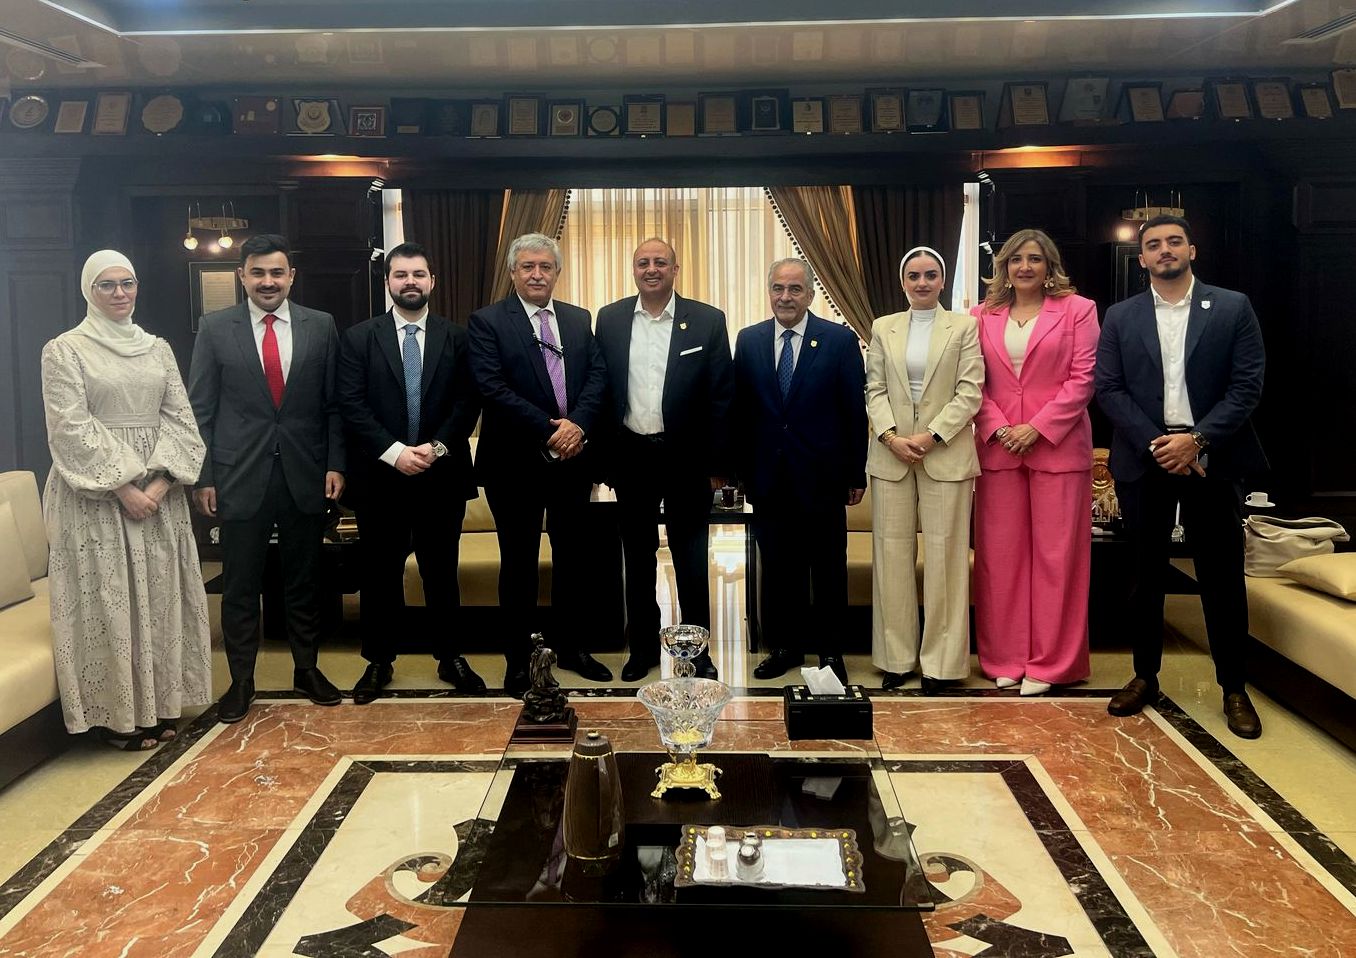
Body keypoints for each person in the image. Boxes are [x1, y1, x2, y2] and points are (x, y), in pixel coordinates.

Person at [1095, 214, 1267, 739]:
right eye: (1153, 244)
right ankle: (1145, 676)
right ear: (1142, 258)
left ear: (1192, 250)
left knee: (1221, 576)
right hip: (1145, 457)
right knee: (1144, 576)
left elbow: (1247, 385)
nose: (1164, 250)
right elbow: (1109, 387)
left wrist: (1197, 440)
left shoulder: (1232, 307)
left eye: (1174, 241)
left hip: (1212, 458)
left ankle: (1233, 687)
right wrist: (1158, 443)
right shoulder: (1120, 316)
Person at [40, 250, 212, 750]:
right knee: (109, 600)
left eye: (127, 283)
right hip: (93, 497)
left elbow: (181, 419)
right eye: (107, 285)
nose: (119, 293)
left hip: (159, 495)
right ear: (88, 290)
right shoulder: (64, 350)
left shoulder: (157, 348)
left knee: (158, 599)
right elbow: (69, 426)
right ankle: (115, 717)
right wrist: (123, 487)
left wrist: (157, 487)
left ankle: (159, 707)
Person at [187, 233, 346, 723]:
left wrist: (336, 463)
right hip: (238, 477)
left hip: (305, 474)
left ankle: (306, 669)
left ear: (291, 277)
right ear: (242, 276)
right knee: (239, 585)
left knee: (304, 582)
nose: (268, 281)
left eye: (277, 272)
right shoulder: (215, 328)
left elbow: (334, 405)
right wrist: (203, 476)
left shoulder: (321, 326)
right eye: (258, 272)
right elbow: (200, 410)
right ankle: (241, 681)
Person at [337, 242, 483, 703]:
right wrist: (395, 452)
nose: (410, 282)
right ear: (388, 282)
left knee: (442, 573)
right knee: (380, 576)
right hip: (381, 479)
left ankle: (450, 656)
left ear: (432, 281)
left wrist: (435, 449)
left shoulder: (458, 338)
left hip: (442, 477)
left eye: (418, 274)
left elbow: (468, 402)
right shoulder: (359, 338)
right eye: (401, 275)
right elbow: (351, 405)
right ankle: (379, 661)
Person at [468, 232, 612, 697]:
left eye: (545, 267)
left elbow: (598, 377)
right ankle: (518, 661)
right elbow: (491, 387)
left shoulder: (577, 318)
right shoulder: (488, 321)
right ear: (513, 272)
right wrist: (552, 429)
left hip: (573, 461)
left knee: (574, 561)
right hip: (514, 466)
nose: (536, 274)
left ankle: (573, 649)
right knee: (519, 565)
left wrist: (578, 425)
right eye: (527, 266)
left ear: (557, 272)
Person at [595, 238, 732, 681]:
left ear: (675, 269)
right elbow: (602, 391)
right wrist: (604, 462)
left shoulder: (708, 320)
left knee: (691, 561)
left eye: (660, 262)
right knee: (637, 560)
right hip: (631, 456)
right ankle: (642, 650)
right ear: (634, 270)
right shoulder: (610, 319)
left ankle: (697, 653)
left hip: (686, 459)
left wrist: (718, 465)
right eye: (643, 262)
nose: (651, 269)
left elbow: (721, 397)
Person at [971, 230, 1099, 696]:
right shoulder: (980, 316)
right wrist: (1001, 427)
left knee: (1057, 560)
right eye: (1016, 259)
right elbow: (973, 382)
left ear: (1050, 267)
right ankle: (1004, 658)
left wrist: (1037, 428)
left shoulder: (1078, 310)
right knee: (999, 560)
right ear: (1004, 267)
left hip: (1058, 448)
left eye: (1035, 259)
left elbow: (1084, 379)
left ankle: (1052, 664)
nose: (1025, 267)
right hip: (999, 448)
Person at [733, 258, 867, 684]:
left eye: (794, 289)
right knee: (778, 569)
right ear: (769, 292)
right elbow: (741, 410)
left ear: (810, 294)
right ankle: (785, 648)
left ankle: (830, 651)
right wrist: (740, 473)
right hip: (768, 479)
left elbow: (853, 410)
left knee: (827, 569)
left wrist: (856, 474)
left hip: (823, 478)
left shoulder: (839, 340)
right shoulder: (749, 340)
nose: (785, 297)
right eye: (778, 288)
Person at [865, 247, 983, 694]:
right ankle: (895, 659)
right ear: (902, 282)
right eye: (913, 276)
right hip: (891, 454)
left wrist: (932, 436)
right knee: (891, 558)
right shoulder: (883, 327)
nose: (922, 283)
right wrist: (890, 436)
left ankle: (942, 665)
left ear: (942, 280)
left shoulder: (964, 327)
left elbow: (970, 392)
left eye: (930, 275)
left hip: (945, 453)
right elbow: (874, 388)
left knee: (946, 560)